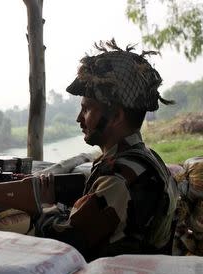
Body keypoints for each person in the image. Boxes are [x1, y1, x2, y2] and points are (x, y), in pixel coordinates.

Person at [36, 39, 179, 262]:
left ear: (116, 116)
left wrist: (45, 207)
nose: (79, 119)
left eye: (87, 109)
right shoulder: (148, 159)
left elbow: (66, 242)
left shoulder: (120, 176)